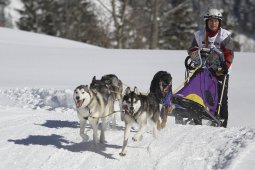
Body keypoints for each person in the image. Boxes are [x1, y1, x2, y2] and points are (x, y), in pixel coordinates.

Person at [188, 8, 234, 128]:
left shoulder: (225, 36)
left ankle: (222, 122)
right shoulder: (199, 35)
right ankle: (195, 117)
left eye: (215, 21)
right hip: (202, 69)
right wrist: (195, 56)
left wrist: (225, 65)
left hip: (220, 70)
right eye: (210, 21)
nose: (213, 23)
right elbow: (192, 50)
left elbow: (229, 54)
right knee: (196, 91)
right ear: (206, 22)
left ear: (219, 23)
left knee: (221, 97)